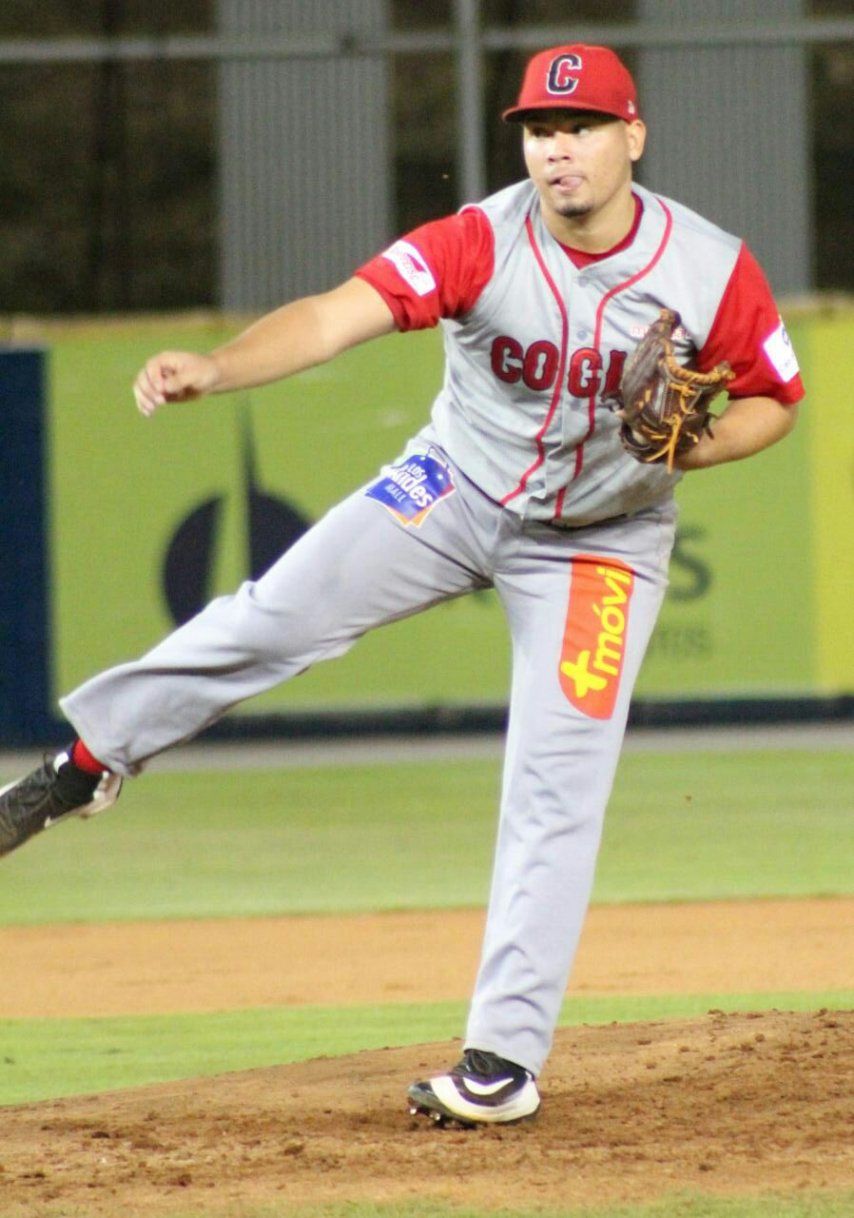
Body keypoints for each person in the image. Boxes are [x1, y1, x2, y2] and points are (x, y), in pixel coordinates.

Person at [0, 44, 803, 1126]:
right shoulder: (480, 237)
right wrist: (221, 366)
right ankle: (84, 762)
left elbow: (772, 398)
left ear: (632, 137)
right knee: (271, 613)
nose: (554, 148)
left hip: (600, 542)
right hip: (452, 487)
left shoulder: (706, 267)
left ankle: (500, 1066)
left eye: (579, 128)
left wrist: (685, 454)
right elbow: (338, 314)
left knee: (556, 784)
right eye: (536, 128)